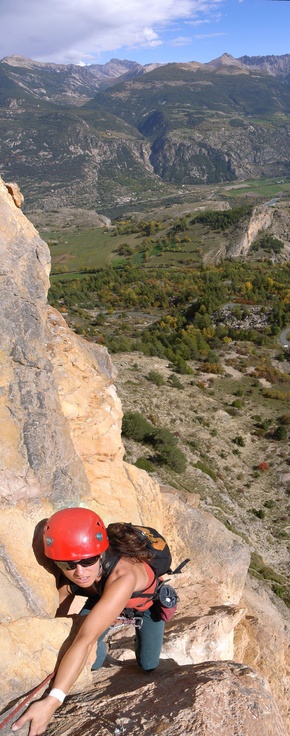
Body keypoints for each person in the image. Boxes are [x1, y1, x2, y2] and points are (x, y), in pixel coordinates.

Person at [12, 507, 165, 736]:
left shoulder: (124, 576)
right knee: (91, 662)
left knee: (148, 664)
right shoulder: (73, 561)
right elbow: (65, 615)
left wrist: (53, 701)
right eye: (68, 565)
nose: (79, 572)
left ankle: (135, 637)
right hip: (101, 598)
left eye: (88, 561)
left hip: (144, 606)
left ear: (100, 553)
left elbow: (85, 640)